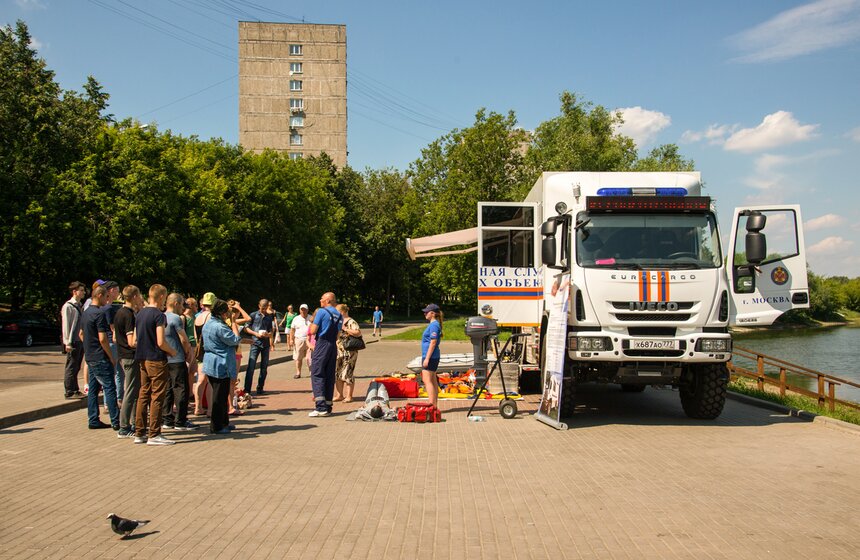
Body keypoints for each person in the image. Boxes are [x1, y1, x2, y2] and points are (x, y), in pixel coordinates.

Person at [133, 284, 178, 446]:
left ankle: (139, 432)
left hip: (142, 358)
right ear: (160, 297)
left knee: (143, 394)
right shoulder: (159, 315)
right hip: (156, 359)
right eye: (164, 297)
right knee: (157, 396)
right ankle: (154, 434)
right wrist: (172, 351)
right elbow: (161, 341)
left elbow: (135, 340)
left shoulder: (140, 313)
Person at [81, 285, 120, 430]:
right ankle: (116, 421)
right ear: (99, 296)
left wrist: (88, 347)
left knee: (93, 388)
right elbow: (103, 338)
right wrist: (111, 356)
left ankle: (93, 419)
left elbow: (81, 334)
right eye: (106, 297)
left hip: (90, 355)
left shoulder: (85, 312)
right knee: (109, 387)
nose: (107, 300)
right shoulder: (99, 314)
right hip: (100, 356)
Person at [201, 299, 242, 434]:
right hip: (220, 364)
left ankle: (224, 422)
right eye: (227, 312)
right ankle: (217, 426)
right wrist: (234, 323)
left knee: (222, 395)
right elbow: (234, 340)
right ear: (223, 313)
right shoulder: (220, 326)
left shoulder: (208, 323)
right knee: (219, 397)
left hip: (210, 362)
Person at [162, 293, 195, 431]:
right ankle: (181, 421)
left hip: (165, 358)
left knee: (168, 389)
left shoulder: (161, 316)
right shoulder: (175, 318)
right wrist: (188, 352)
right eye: (181, 304)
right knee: (181, 389)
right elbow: (184, 339)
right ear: (175, 303)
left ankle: (167, 419)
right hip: (177, 358)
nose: (183, 308)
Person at [308, 292, 342, 417]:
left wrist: (312, 323)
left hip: (322, 344)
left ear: (328, 300)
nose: (320, 300)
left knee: (317, 373)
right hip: (332, 345)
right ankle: (328, 406)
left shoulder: (322, 312)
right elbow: (338, 334)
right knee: (329, 375)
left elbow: (313, 330)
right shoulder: (339, 315)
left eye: (322, 298)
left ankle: (320, 407)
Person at [115, 284, 142, 438]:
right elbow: (132, 342)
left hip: (122, 355)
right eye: (139, 295)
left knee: (132, 390)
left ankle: (133, 423)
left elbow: (115, 336)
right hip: (130, 356)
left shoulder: (119, 312)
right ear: (134, 296)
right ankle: (124, 427)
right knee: (131, 391)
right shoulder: (129, 315)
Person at [61, 281, 86, 399]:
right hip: (73, 341)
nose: (83, 292)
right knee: (71, 365)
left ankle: (75, 389)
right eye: (81, 290)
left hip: (79, 340)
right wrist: (67, 342)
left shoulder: (80, 305)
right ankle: (69, 391)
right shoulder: (68, 306)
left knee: (76, 366)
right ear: (74, 291)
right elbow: (66, 325)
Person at [244, 299, 274, 395]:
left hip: (265, 344)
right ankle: (247, 389)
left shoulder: (269, 317)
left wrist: (268, 334)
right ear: (259, 306)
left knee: (264, 367)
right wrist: (255, 333)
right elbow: (246, 328)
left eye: (265, 308)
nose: (264, 310)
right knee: (251, 366)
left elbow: (271, 331)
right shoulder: (253, 315)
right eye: (262, 308)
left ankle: (260, 388)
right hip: (255, 343)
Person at [193, 292, 216, 416]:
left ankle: (198, 407)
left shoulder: (197, 316)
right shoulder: (211, 316)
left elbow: (196, 337)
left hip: (200, 352)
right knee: (210, 381)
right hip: (209, 351)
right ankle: (211, 410)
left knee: (200, 381)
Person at [333, 303, 361, 403]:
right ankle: (339, 395)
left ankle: (349, 396)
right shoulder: (338, 322)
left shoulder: (351, 321)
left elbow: (358, 333)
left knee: (348, 373)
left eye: (337, 311)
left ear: (342, 312)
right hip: (339, 351)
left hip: (349, 351)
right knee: (337, 373)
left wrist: (345, 329)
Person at [420, 303, 444, 407]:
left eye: (427, 312)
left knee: (427, 380)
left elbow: (433, 342)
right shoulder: (434, 324)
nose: (425, 314)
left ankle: (431, 404)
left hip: (430, 356)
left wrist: (427, 359)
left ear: (433, 313)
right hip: (432, 356)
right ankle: (434, 405)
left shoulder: (434, 325)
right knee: (433, 380)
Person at [183, 297, 198, 410]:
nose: (197, 307)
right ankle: (186, 397)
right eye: (195, 305)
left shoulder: (194, 317)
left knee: (192, 371)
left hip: (194, 345)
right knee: (187, 371)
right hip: (188, 346)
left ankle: (190, 394)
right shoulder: (183, 317)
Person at [290, 304, 312, 379]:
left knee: (309, 358)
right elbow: (292, 330)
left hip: (310, 340)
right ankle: (298, 373)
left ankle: (311, 373)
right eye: (302, 309)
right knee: (298, 358)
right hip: (299, 340)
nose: (303, 311)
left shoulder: (311, 318)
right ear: (299, 310)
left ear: (307, 310)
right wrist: (291, 339)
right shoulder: (296, 318)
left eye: (304, 309)